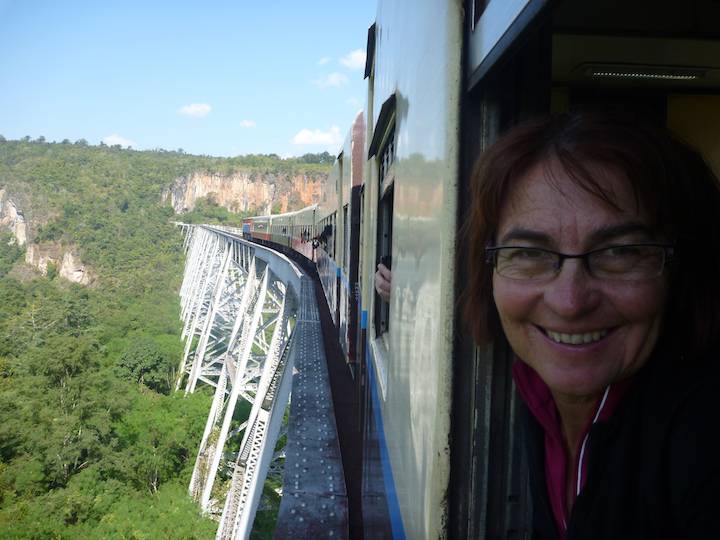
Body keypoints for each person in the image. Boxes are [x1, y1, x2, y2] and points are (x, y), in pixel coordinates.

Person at [463, 111, 720, 539]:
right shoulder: (536, 387)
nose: (569, 303)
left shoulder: (704, 434)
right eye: (528, 253)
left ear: (682, 266)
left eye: (620, 252)